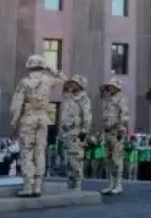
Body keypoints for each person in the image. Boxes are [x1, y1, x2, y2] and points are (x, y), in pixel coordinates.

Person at [10, 55, 65, 197]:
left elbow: (16, 105)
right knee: (40, 152)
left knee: (27, 152)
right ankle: (38, 186)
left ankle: (28, 186)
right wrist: (49, 68)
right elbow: (64, 79)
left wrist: (14, 123)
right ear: (42, 66)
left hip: (28, 119)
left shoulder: (25, 82)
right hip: (43, 119)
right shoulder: (48, 81)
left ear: (29, 66)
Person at [59, 75, 91, 190]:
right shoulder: (68, 98)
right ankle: (70, 180)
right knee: (68, 159)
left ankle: (77, 181)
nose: (72, 85)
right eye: (71, 83)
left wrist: (84, 131)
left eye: (75, 83)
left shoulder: (83, 98)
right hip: (67, 132)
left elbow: (87, 116)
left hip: (77, 133)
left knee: (75, 159)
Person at [99, 76, 129, 196]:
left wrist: (122, 130)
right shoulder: (109, 99)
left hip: (116, 132)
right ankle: (111, 184)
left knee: (117, 159)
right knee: (108, 159)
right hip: (107, 132)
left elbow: (124, 115)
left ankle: (118, 185)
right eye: (108, 87)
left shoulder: (121, 99)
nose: (109, 88)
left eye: (111, 86)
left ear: (117, 88)